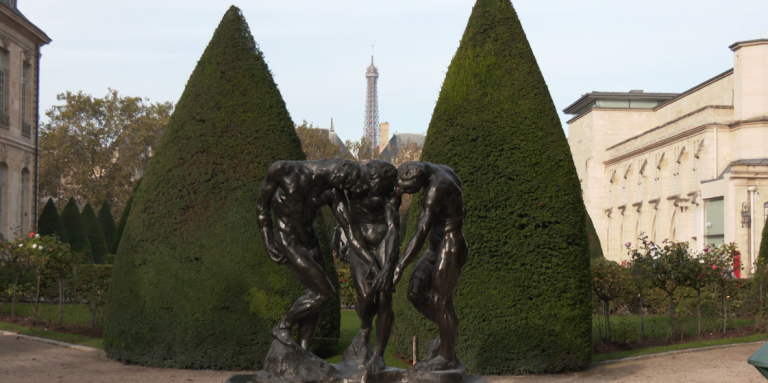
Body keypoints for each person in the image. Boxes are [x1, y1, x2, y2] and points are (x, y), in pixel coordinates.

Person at [257, 159, 378, 353]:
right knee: (325, 293)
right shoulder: (283, 170)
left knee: (313, 296)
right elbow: (262, 207)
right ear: (337, 172)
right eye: (346, 184)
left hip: (311, 242)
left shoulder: (332, 191)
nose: (345, 189)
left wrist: (369, 259)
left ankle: (304, 351)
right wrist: (268, 242)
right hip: (288, 241)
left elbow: (350, 229)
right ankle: (283, 326)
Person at [393, 161, 467, 371]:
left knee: (441, 300)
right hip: (435, 247)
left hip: (450, 245)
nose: (408, 194)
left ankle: (447, 357)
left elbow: (420, 232)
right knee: (415, 293)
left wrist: (399, 267)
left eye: (409, 190)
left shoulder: (436, 187)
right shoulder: (438, 170)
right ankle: (447, 332)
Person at [343, 160, 400, 372]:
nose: (379, 187)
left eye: (384, 184)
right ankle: (365, 327)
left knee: (385, 299)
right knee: (366, 296)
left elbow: (393, 229)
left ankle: (378, 355)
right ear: (369, 178)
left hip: (384, 242)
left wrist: (387, 268)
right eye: (377, 182)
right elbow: (349, 226)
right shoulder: (353, 187)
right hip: (360, 244)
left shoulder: (390, 194)